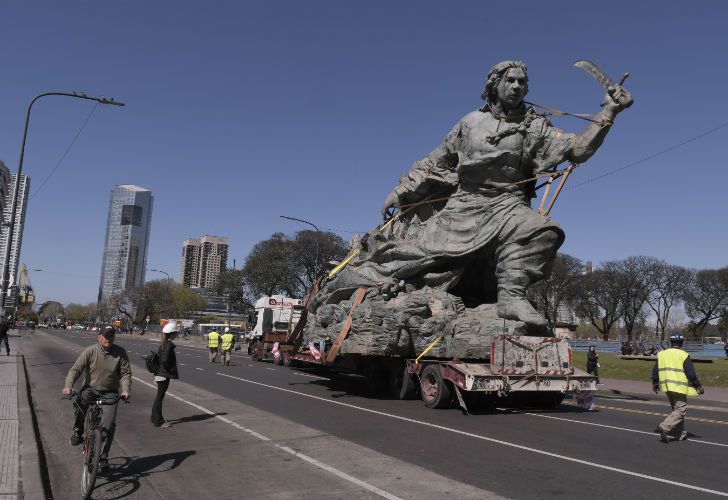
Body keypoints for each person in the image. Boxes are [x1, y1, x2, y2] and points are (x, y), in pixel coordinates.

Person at [372, 60, 633, 330]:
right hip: (463, 209)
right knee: (412, 260)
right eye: (511, 80)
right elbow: (436, 160)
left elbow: (578, 149)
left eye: (522, 82)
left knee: (545, 230)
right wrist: (402, 190)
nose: (517, 86)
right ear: (494, 85)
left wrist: (609, 112)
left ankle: (511, 297)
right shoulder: (471, 122)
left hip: (509, 205)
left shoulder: (535, 126)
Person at [63, 326, 131, 473]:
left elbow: (126, 374)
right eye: (106, 336)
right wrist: (68, 386)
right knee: (80, 401)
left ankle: (103, 457)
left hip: (110, 393)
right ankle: (78, 429)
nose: (109, 338)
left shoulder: (120, 353)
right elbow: (76, 369)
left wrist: (125, 390)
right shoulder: (90, 351)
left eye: (111, 335)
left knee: (108, 426)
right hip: (90, 389)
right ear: (99, 337)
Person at [652, 332, 704, 443]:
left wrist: (655, 384)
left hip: (667, 387)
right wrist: (698, 386)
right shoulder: (683, 355)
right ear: (682, 343)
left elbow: (655, 370)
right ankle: (665, 426)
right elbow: (691, 373)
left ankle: (682, 433)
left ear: (671, 342)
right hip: (679, 388)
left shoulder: (662, 354)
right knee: (680, 410)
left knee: (677, 410)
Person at [152, 322, 179, 428]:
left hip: (161, 374)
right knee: (159, 398)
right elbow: (164, 360)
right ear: (172, 334)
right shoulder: (168, 345)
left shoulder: (164, 343)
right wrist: (171, 369)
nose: (177, 334)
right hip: (163, 375)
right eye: (176, 332)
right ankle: (158, 420)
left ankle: (156, 418)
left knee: (159, 397)